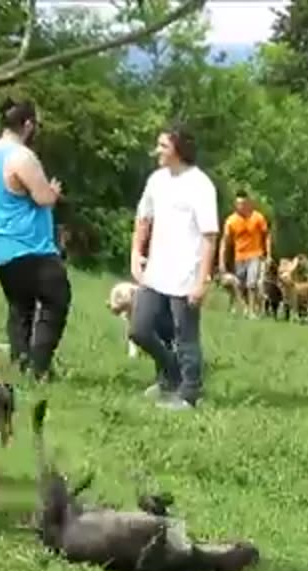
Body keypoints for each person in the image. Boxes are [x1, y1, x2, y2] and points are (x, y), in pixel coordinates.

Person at [128, 125, 219, 411]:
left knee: (185, 336)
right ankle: (171, 373)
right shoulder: (156, 180)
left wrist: (202, 281)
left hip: (186, 274)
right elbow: (143, 218)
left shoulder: (200, 184)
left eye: (163, 146)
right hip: (156, 270)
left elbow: (209, 236)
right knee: (139, 329)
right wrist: (135, 253)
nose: (157, 151)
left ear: (179, 150)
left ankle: (189, 393)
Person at [0, 98, 69, 381]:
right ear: (27, 124)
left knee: (20, 307)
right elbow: (43, 198)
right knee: (56, 299)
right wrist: (53, 190)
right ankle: (39, 368)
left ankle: (20, 363)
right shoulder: (21, 157)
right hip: (29, 246)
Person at [217, 190, 271, 317]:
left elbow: (267, 235)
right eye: (238, 204)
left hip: (255, 254)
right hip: (239, 257)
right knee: (238, 285)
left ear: (248, 204)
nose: (241, 206)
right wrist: (221, 261)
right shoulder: (231, 221)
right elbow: (225, 241)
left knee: (251, 284)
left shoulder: (257, 217)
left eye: (243, 203)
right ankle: (244, 307)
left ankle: (252, 311)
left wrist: (268, 255)